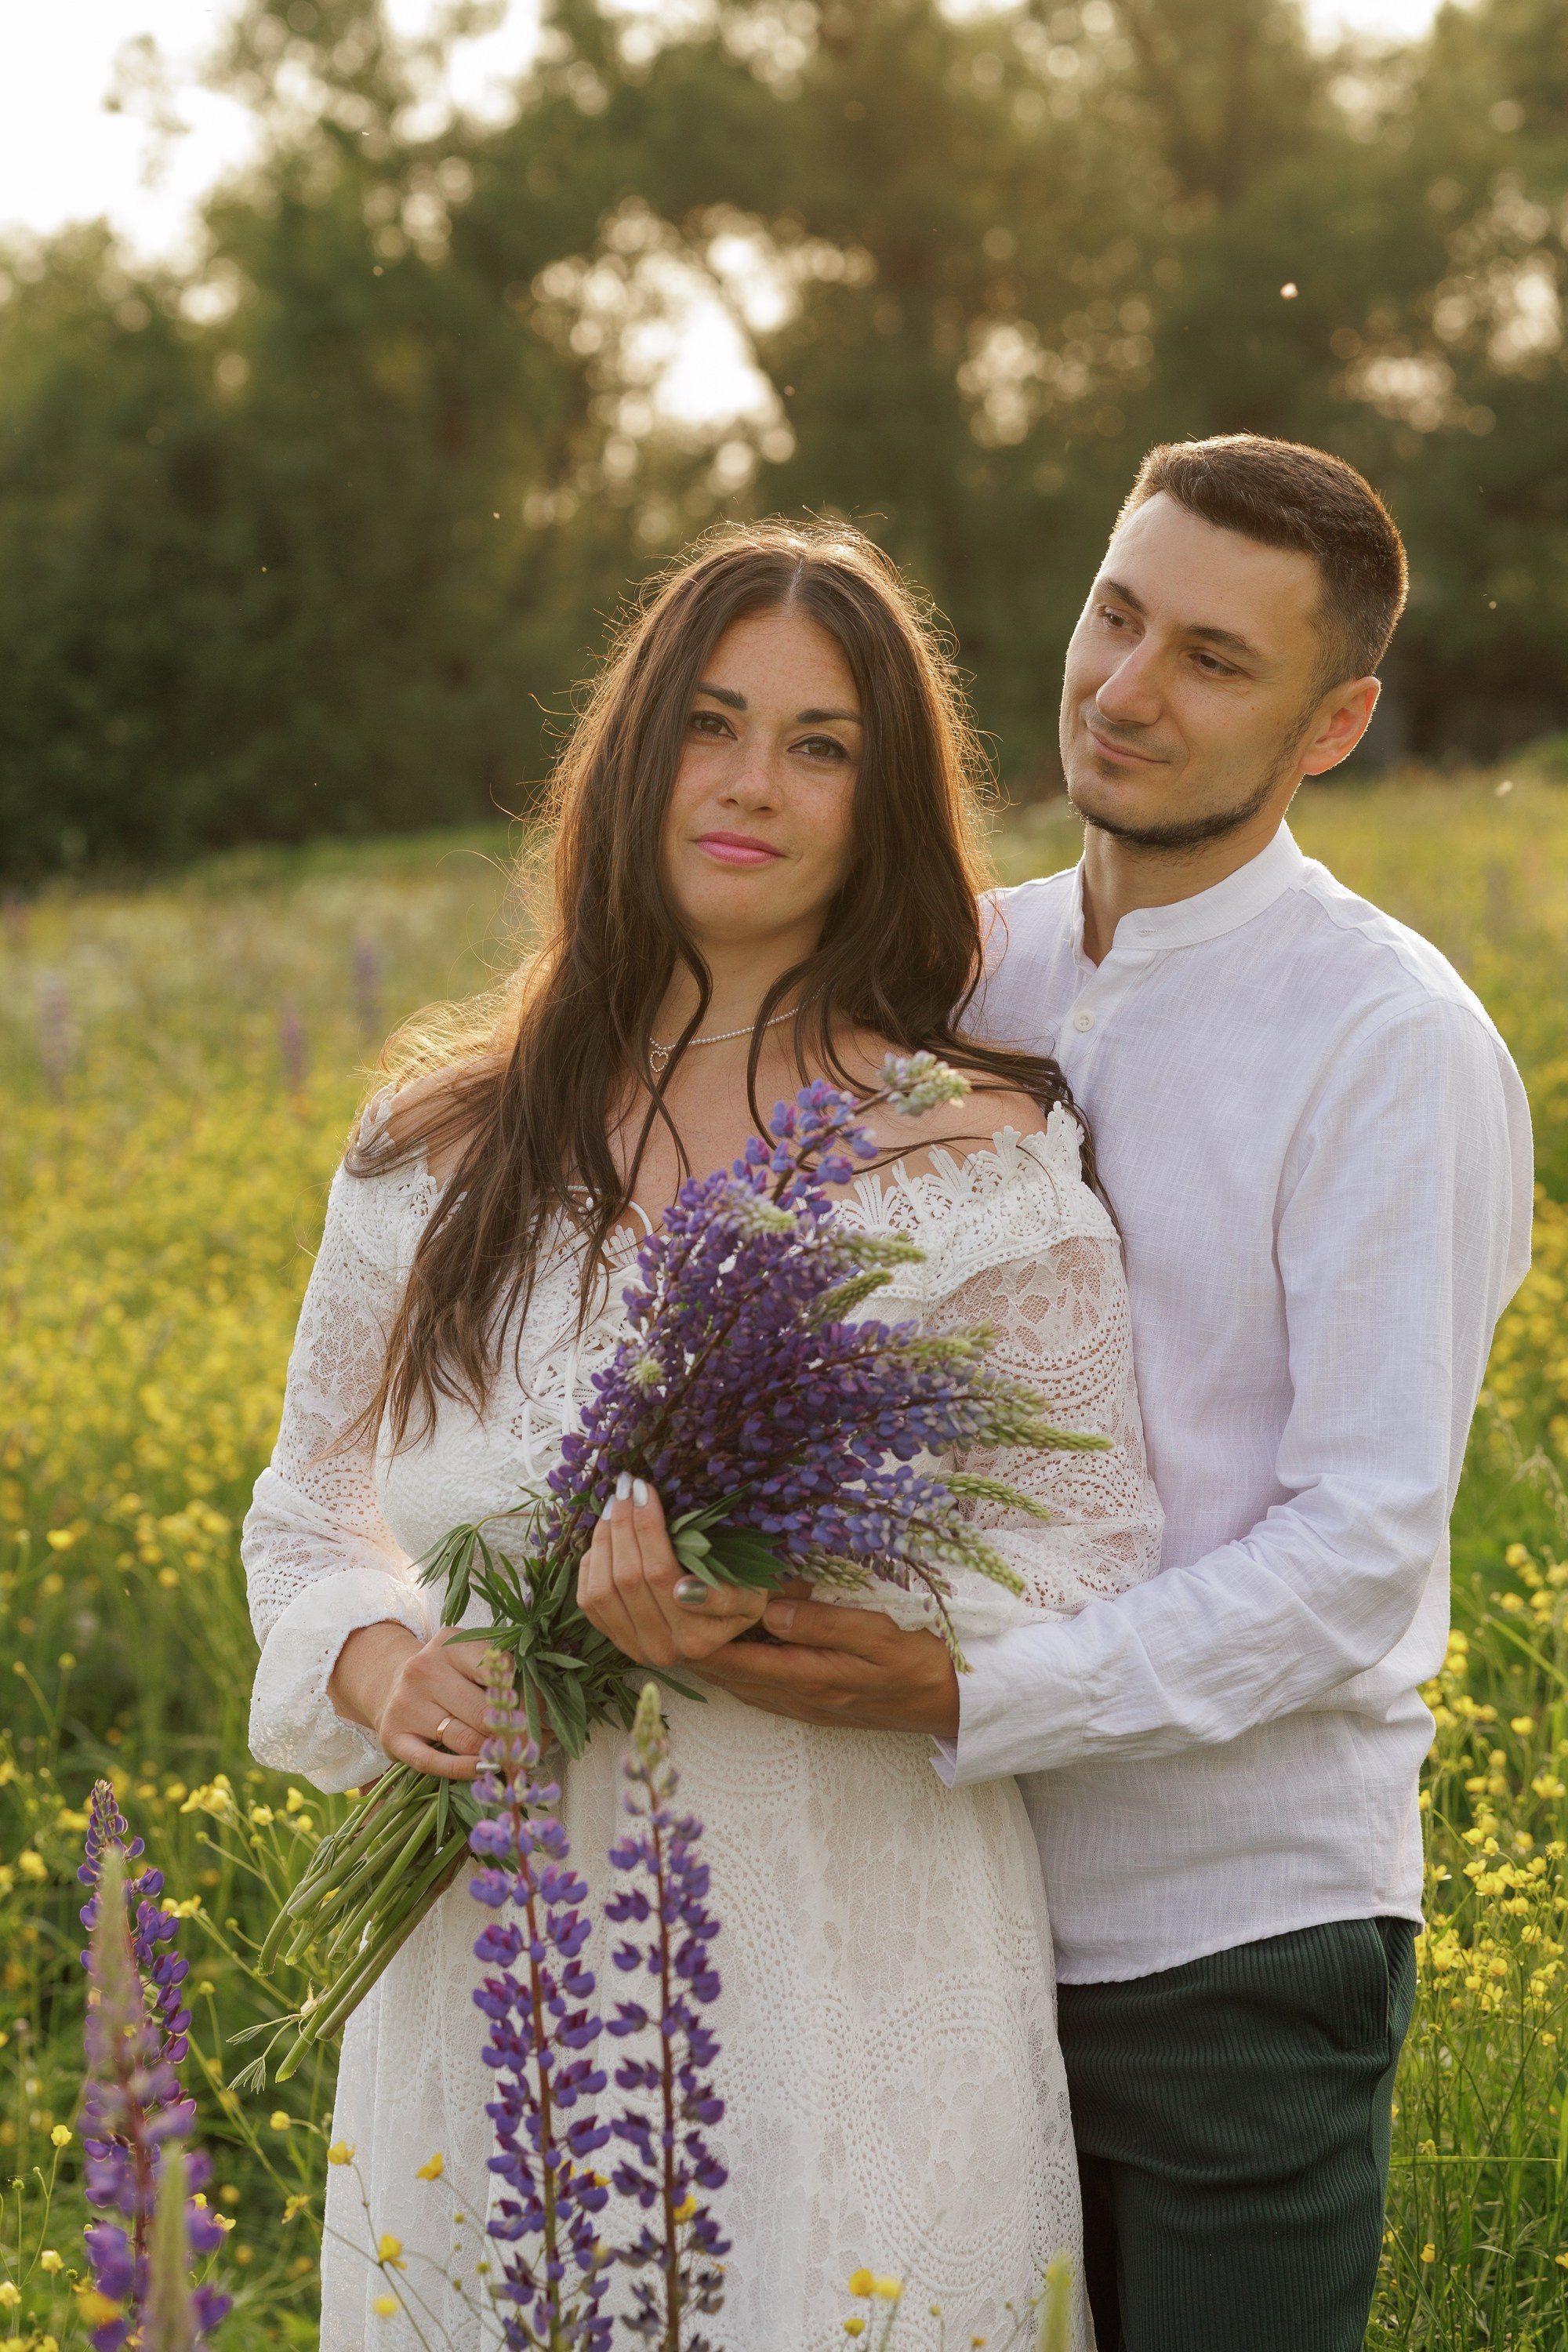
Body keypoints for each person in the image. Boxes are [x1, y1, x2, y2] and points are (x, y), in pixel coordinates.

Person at [241, 521, 1163, 2350]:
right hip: (498, 1985)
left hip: (843, 1955)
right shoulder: (437, 1147)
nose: (752, 784)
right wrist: (374, 1662)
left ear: (880, 801)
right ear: (631, 752)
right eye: (713, 724)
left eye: (819, 746)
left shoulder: (966, 1161)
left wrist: (816, 1635)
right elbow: (305, 1513)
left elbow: (1098, 1553)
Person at [699, 436, 1533, 2351]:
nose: (1128, 688)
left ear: (1334, 724)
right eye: (1116, 614)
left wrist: (975, 1695)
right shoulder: (947, 968)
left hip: (1222, 1943)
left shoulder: (1390, 1046)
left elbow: (1355, 1556)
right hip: (914, 1906)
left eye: (1214, 662)